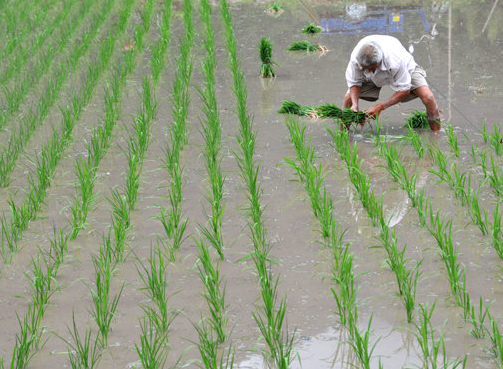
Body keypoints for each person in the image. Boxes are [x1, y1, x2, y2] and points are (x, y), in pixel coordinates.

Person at [342, 35, 441, 131]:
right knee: (348, 98)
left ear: (379, 62)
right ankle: (343, 135)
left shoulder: (395, 59)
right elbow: (354, 83)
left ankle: (436, 135)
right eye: (365, 69)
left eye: (371, 68)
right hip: (371, 77)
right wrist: (355, 105)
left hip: (403, 70)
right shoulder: (356, 59)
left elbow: (404, 90)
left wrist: (381, 106)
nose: (368, 71)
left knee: (428, 97)